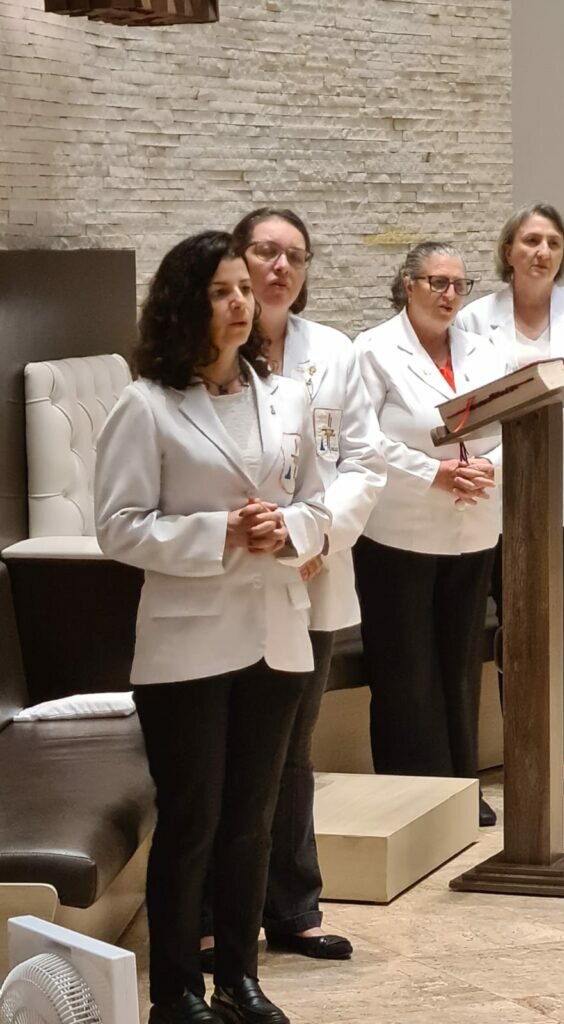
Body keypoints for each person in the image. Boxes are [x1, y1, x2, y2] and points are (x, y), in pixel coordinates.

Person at [95, 231, 330, 1024]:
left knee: (251, 822)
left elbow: (322, 504)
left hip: (275, 634)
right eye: (221, 291)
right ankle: (175, 993)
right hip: (187, 645)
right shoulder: (145, 404)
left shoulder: (287, 398)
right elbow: (118, 528)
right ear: (183, 305)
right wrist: (218, 533)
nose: (240, 303)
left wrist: (289, 529)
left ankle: (239, 980)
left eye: (243, 290)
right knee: (192, 821)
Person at [196, 207, 383, 963]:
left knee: (293, 749)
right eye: (266, 252)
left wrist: (312, 537)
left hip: (314, 572)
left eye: (295, 257)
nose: (280, 268)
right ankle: (210, 914)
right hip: (228, 576)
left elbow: (363, 463)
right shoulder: (197, 356)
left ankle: (294, 908)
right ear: (237, 262)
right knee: (223, 750)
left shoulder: (334, 352)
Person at [457, 202, 564, 795]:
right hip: (501, 492)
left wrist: (540, 408)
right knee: (514, 625)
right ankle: (523, 746)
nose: (542, 252)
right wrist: (544, 405)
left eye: (553, 242)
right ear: (508, 250)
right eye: (531, 240)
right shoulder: (475, 318)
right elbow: (470, 403)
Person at [353, 241, 507, 827]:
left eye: (459, 285)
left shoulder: (483, 350)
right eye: (437, 282)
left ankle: (461, 788)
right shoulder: (373, 349)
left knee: (460, 667)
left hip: (473, 525)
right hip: (399, 531)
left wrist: (486, 468)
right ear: (408, 284)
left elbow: (514, 421)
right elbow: (363, 438)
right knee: (406, 671)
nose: (449, 295)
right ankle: (413, 798)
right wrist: (433, 473)